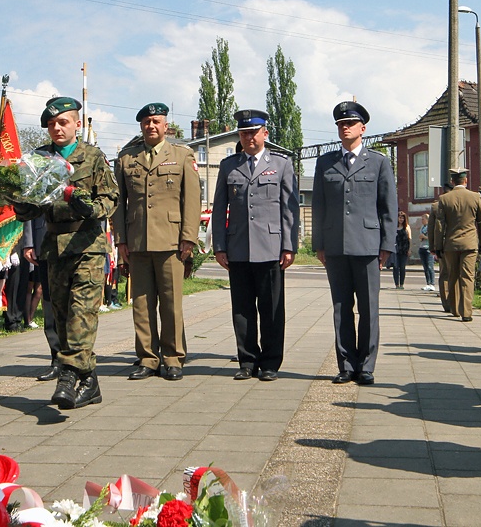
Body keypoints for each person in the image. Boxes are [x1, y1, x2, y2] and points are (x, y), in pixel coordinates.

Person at [15, 96, 118, 409]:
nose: (56, 128)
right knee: (61, 318)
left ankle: (69, 376)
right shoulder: (39, 160)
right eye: (51, 124)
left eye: (63, 122)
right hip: (55, 249)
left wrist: (87, 206)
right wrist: (16, 199)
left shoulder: (93, 157)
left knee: (81, 314)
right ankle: (91, 382)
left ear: (76, 124)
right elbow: (28, 208)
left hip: (86, 245)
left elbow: (110, 199)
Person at [113, 102, 201, 382]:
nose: (151, 126)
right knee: (141, 303)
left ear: (166, 126)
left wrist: (188, 237)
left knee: (171, 303)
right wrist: (121, 240)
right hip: (137, 241)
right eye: (147, 121)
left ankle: (173, 358)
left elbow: (192, 200)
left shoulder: (182, 155)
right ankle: (147, 358)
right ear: (141, 126)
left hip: (171, 241)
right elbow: (119, 204)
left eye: (156, 121)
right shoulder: (127, 158)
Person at [312, 101, 398, 386]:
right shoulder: (325, 162)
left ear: (363, 128)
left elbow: (388, 206)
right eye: (340, 124)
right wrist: (319, 244)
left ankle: (366, 365)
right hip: (335, 245)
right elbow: (319, 206)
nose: (344, 127)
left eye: (349, 123)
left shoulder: (379, 162)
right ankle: (346, 365)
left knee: (369, 308)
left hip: (368, 245)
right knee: (341, 307)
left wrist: (387, 246)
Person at [212, 109, 299, 382]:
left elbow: (289, 209)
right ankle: (247, 360)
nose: (248, 137)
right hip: (238, 248)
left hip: (271, 247)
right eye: (243, 133)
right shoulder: (229, 166)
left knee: (272, 309)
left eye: (253, 132)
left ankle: (271, 362)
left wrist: (289, 246)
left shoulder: (282, 165)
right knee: (242, 309)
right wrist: (219, 246)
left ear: (265, 134)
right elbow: (219, 209)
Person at [431, 169, 481, 322]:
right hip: (470, 243)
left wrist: (438, 246)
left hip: (450, 244)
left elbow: (439, 225)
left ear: (453, 181)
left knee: (453, 275)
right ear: (465, 180)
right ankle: (467, 312)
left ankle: (455, 309)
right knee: (468, 276)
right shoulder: (475, 197)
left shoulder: (444, 199)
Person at [22, 216, 59, 380]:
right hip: (44, 237)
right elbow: (29, 200)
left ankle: (77, 360)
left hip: (77, 241)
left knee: (75, 303)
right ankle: (57, 359)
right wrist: (29, 242)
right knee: (49, 300)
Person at [392, 212, 411, 289]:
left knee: (402, 267)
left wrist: (409, 249)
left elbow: (409, 239)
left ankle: (402, 284)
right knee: (395, 267)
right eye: (400, 217)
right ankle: (396, 284)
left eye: (402, 218)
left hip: (404, 250)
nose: (401, 219)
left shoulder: (407, 227)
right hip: (396, 250)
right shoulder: (393, 227)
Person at [418, 213, 435, 291]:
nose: (422, 220)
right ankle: (428, 283)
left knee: (430, 266)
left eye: (423, 219)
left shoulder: (430, 227)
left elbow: (432, 238)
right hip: (422, 247)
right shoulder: (422, 227)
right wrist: (421, 238)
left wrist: (424, 237)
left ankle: (432, 283)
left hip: (428, 248)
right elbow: (420, 237)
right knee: (425, 267)